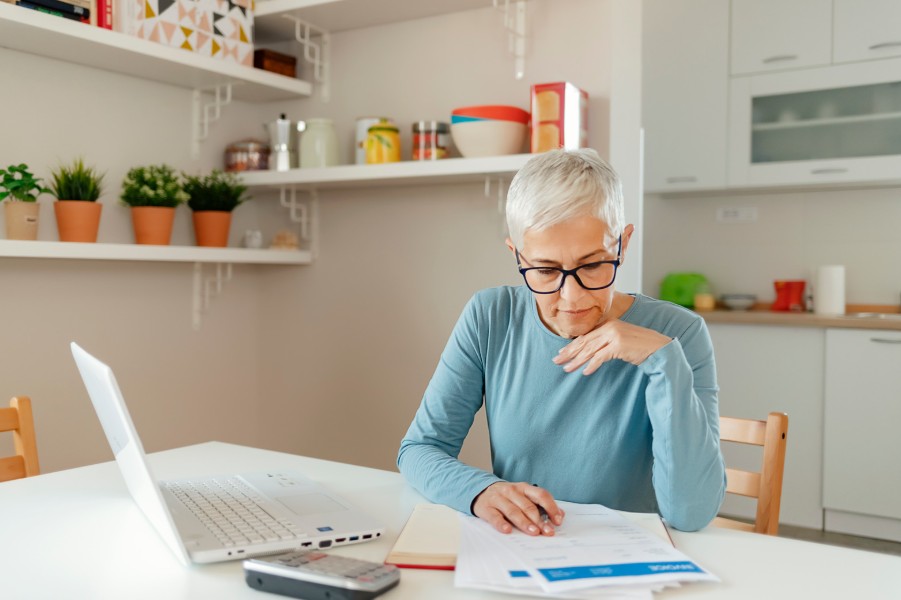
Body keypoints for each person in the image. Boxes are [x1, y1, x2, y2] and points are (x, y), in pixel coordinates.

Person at [397, 148, 725, 536]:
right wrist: (480, 490)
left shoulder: (679, 332)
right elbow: (419, 450)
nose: (572, 297)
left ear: (623, 244)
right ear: (516, 255)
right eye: (545, 270)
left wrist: (664, 362)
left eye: (592, 264)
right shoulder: (490, 316)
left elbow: (691, 513)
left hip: (628, 564)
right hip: (524, 551)